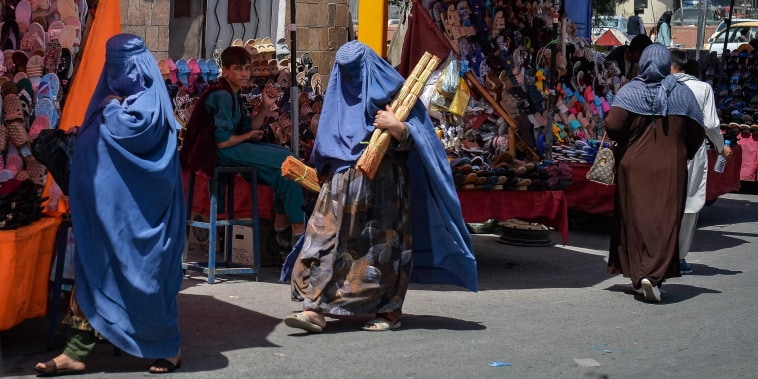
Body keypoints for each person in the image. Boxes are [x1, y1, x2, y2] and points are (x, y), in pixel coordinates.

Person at [282, 41, 477, 333]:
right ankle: (314, 309)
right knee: (322, 243)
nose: (352, 80)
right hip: (339, 188)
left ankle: (389, 312)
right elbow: (325, 142)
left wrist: (396, 126)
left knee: (379, 253)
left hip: (384, 190)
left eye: (356, 72)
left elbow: (423, 140)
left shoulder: (396, 93)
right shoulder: (338, 96)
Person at [34, 34, 185, 375]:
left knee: (149, 280)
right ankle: (75, 350)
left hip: (146, 216)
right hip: (105, 214)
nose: (115, 73)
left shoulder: (147, 105)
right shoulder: (107, 103)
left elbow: (138, 134)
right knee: (92, 272)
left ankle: (167, 347)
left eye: (122, 66)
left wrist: (112, 109)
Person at [605, 43, 705, 303]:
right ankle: (653, 276)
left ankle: (640, 275)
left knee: (634, 220)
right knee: (664, 220)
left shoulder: (630, 91)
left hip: (633, 167)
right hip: (670, 168)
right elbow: (697, 133)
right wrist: (682, 152)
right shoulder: (683, 94)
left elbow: (613, 126)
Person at [180, 46, 305, 248]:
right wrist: (248, 135)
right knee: (286, 161)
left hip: (230, 148)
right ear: (226, 70)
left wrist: (265, 106)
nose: (245, 73)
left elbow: (250, 126)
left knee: (288, 160)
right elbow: (223, 141)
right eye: (239, 68)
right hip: (218, 152)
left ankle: (283, 226)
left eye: (247, 68)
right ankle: (296, 229)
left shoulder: (233, 94)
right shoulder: (221, 95)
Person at [670, 50, 732, 274]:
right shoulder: (702, 88)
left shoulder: (659, 84)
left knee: (665, 202)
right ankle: (678, 256)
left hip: (661, 150)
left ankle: (661, 254)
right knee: (689, 204)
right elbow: (711, 125)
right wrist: (720, 147)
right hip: (692, 152)